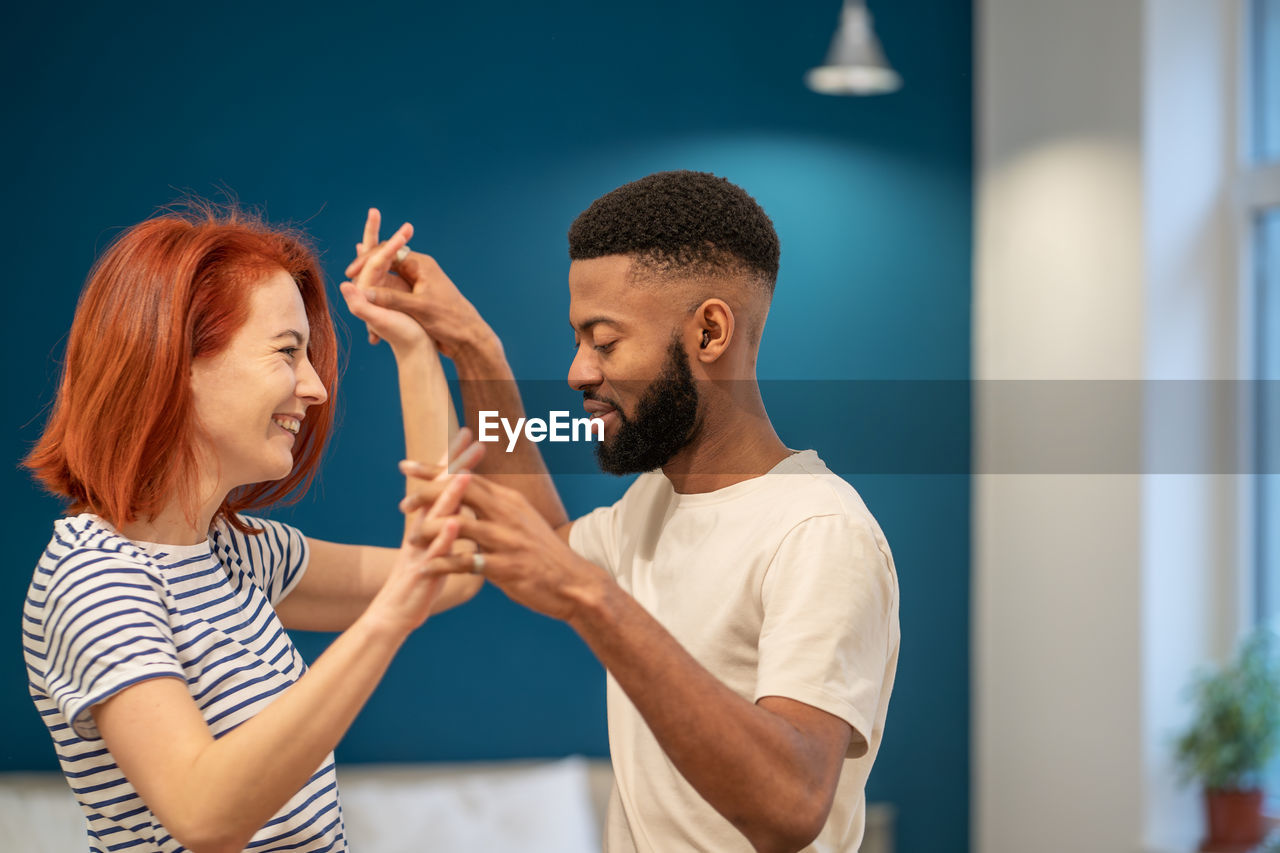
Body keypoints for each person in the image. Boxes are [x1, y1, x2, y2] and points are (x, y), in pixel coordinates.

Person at [354, 170, 901, 852]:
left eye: (604, 341)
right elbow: (550, 544)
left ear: (709, 331)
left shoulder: (818, 532)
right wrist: (472, 346)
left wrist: (592, 596)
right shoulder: (657, 503)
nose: (579, 372)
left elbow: (790, 803)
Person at [21, 203, 483, 853]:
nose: (316, 387)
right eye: (287, 353)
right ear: (176, 362)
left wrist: (411, 347)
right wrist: (392, 613)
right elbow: (205, 815)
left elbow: (451, 573)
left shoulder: (240, 555)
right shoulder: (97, 579)